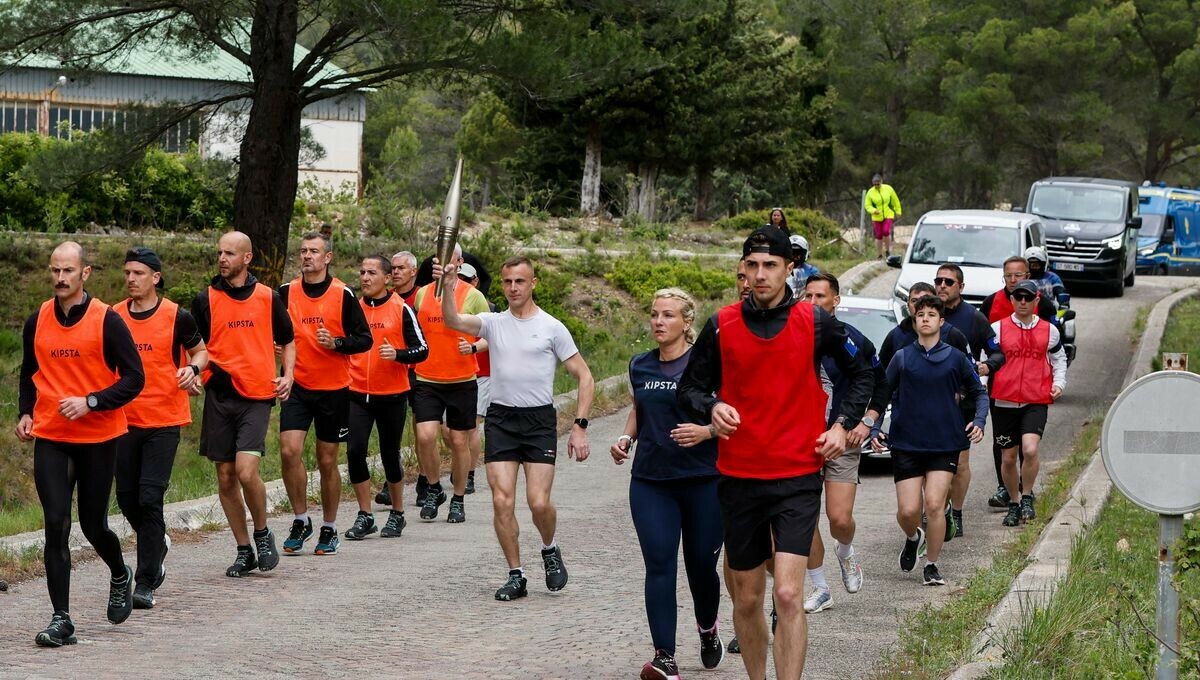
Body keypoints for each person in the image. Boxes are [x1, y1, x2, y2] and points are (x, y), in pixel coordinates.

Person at [678, 227, 874, 680]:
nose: (760, 274)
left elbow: (863, 371)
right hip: (739, 477)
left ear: (790, 269)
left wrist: (841, 427)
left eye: (770, 265)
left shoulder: (816, 322)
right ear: (743, 270)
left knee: (787, 594)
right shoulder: (720, 325)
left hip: (796, 478)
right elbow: (688, 389)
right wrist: (713, 405)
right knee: (746, 600)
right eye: (753, 265)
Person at [439, 256, 594, 601]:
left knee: (538, 503)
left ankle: (550, 548)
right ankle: (516, 574)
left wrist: (580, 426)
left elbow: (584, 376)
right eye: (507, 282)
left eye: (519, 282)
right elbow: (452, 320)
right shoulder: (493, 323)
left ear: (533, 283)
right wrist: (449, 288)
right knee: (501, 499)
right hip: (502, 419)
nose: (512, 288)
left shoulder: (552, 327)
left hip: (538, 421)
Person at [17, 242, 145, 647]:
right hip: (52, 435)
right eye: (55, 270)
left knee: (93, 525)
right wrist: (25, 412)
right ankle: (61, 619)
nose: (60, 278)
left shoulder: (106, 320)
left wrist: (92, 401)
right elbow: (29, 370)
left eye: (68, 271)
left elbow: (134, 379)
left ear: (85, 273)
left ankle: (120, 572)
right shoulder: (37, 318)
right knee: (55, 524)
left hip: (97, 436)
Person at [610, 288, 725, 679]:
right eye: (655, 315)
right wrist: (627, 438)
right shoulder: (639, 365)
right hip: (651, 481)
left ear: (687, 322)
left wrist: (706, 431)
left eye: (668, 316)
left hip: (703, 480)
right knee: (659, 565)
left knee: (700, 567)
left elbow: (732, 418)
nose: (659, 322)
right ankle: (665, 657)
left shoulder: (707, 366)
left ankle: (708, 628)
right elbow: (639, 409)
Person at [193, 231, 293, 577]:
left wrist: (288, 374)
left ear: (247, 258)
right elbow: (196, 347)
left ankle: (263, 533)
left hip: (257, 395)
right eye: (220, 252)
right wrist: (194, 374)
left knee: (246, 471)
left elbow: (288, 340)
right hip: (220, 394)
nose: (222, 259)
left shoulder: (268, 297)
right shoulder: (205, 299)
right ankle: (243, 549)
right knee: (224, 476)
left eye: (230, 253)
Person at [113, 247, 208, 609]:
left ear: (155, 277)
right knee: (126, 500)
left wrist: (192, 369)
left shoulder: (176, 317)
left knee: (150, 497)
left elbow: (202, 352)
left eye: (138, 273)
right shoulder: (114, 317)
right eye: (127, 273)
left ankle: (147, 580)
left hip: (164, 420)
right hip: (122, 420)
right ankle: (158, 540)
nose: (131, 280)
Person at [877, 294, 987, 587]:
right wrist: (874, 427)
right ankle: (914, 537)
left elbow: (979, 393)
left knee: (935, 505)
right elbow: (882, 394)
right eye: (920, 314)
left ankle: (932, 565)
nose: (925, 318)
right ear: (914, 323)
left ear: (941, 321)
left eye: (931, 314)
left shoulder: (956, 358)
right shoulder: (902, 358)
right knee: (909, 511)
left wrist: (978, 421)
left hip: (944, 443)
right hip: (907, 444)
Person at [278, 233, 373, 555]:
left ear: (327, 257)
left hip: (333, 389)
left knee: (327, 460)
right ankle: (301, 519)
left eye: (314, 251)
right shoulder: (285, 292)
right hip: (297, 385)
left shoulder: (342, 294)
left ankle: (329, 526)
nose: (307, 256)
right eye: (303, 251)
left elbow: (365, 340)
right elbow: (272, 331)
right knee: (289, 451)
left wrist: (337, 343)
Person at [799, 272, 889, 614]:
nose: (812, 303)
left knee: (838, 519)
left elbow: (879, 382)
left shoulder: (853, 339)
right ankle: (820, 588)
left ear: (836, 301)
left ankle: (846, 553)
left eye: (820, 296)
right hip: (802, 440)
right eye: (807, 296)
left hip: (842, 438)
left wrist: (867, 422)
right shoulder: (791, 336)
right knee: (803, 519)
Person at [343, 255, 428, 540]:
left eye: (371, 273)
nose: (365, 278)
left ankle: (398, 513)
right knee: (355, 451)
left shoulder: (402, 309)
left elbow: (423, 349)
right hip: (356, 392)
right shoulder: (353, 308)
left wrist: (398, 355)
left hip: (392, 394)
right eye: (362, 272)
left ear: (387, 278)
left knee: (390, 454)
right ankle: (365, 515)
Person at [411, 245, 490, 523]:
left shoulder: (474, 296)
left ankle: (458, 498)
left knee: (458, 440)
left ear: (459, 262)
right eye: (438, 258)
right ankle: (434, 489)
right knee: (425, 436)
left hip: (462, 379)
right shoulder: (422, 293)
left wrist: (474, 348)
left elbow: (492, 334)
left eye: (449, 259)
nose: (443, 263)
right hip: (427, 377)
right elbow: (415, 331)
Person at [933, 263, 1003, 538]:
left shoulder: (974, 318)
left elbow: (997, 353)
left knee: (959, 463)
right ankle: (937, 509)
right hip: (930, 401)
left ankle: (956, 513)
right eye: (938, 280)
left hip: (963, 401)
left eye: (948, 282)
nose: (942, 286)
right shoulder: (927, 314)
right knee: (933, 461)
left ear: (960, 287)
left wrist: (987, 367)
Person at [991, 280, 1067, 527]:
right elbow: (986, 358)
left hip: (1036, 399)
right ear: (1012, 300)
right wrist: (982, 382)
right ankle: (1013, 502)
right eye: (1018, 297)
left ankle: (1027, 497)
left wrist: (1059, 383)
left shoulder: (1050, 331)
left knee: (1030, 449)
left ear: (1036, 301)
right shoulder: (998, 329)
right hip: (1004, 400)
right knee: (1009, 457)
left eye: (1028, 298)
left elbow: (1059, 358)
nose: (1022, 302)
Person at [980, 256, 1057, 325]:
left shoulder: (1043, 304)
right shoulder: (990, 302)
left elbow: (1056, 335)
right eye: (1008, 276)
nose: (1012, 280)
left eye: (1018, 275)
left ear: (1027, 276)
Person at [416, 249, 491, 298]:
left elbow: (486, 278)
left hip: (467, 297)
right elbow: (419, 284)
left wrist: (481, 296)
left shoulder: (469, 259)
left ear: (460, 261)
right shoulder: (428, 262)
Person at [864, 174, 902, 259]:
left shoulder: (888, 189)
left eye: (878, 184)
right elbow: (867, 205)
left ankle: (888, 251)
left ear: (881, 182)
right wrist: (873, 210)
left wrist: (898, 211)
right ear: (873, 184)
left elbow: (895, 200)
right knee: (879, 235)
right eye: (875, 184)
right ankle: (879, 254)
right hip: (876, 216)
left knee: (886, 231)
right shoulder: (870, 192)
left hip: (888, 214)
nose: (877, 186)